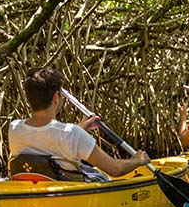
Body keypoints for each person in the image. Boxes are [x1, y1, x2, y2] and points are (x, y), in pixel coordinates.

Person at [8, 67, 150, 180]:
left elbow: (45, 138)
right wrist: (137, 160)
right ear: (56, 97)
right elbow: (115, 169)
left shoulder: (14, 128)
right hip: (67, 191)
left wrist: (80, 129)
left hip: (37, 188)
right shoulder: (72, 134)